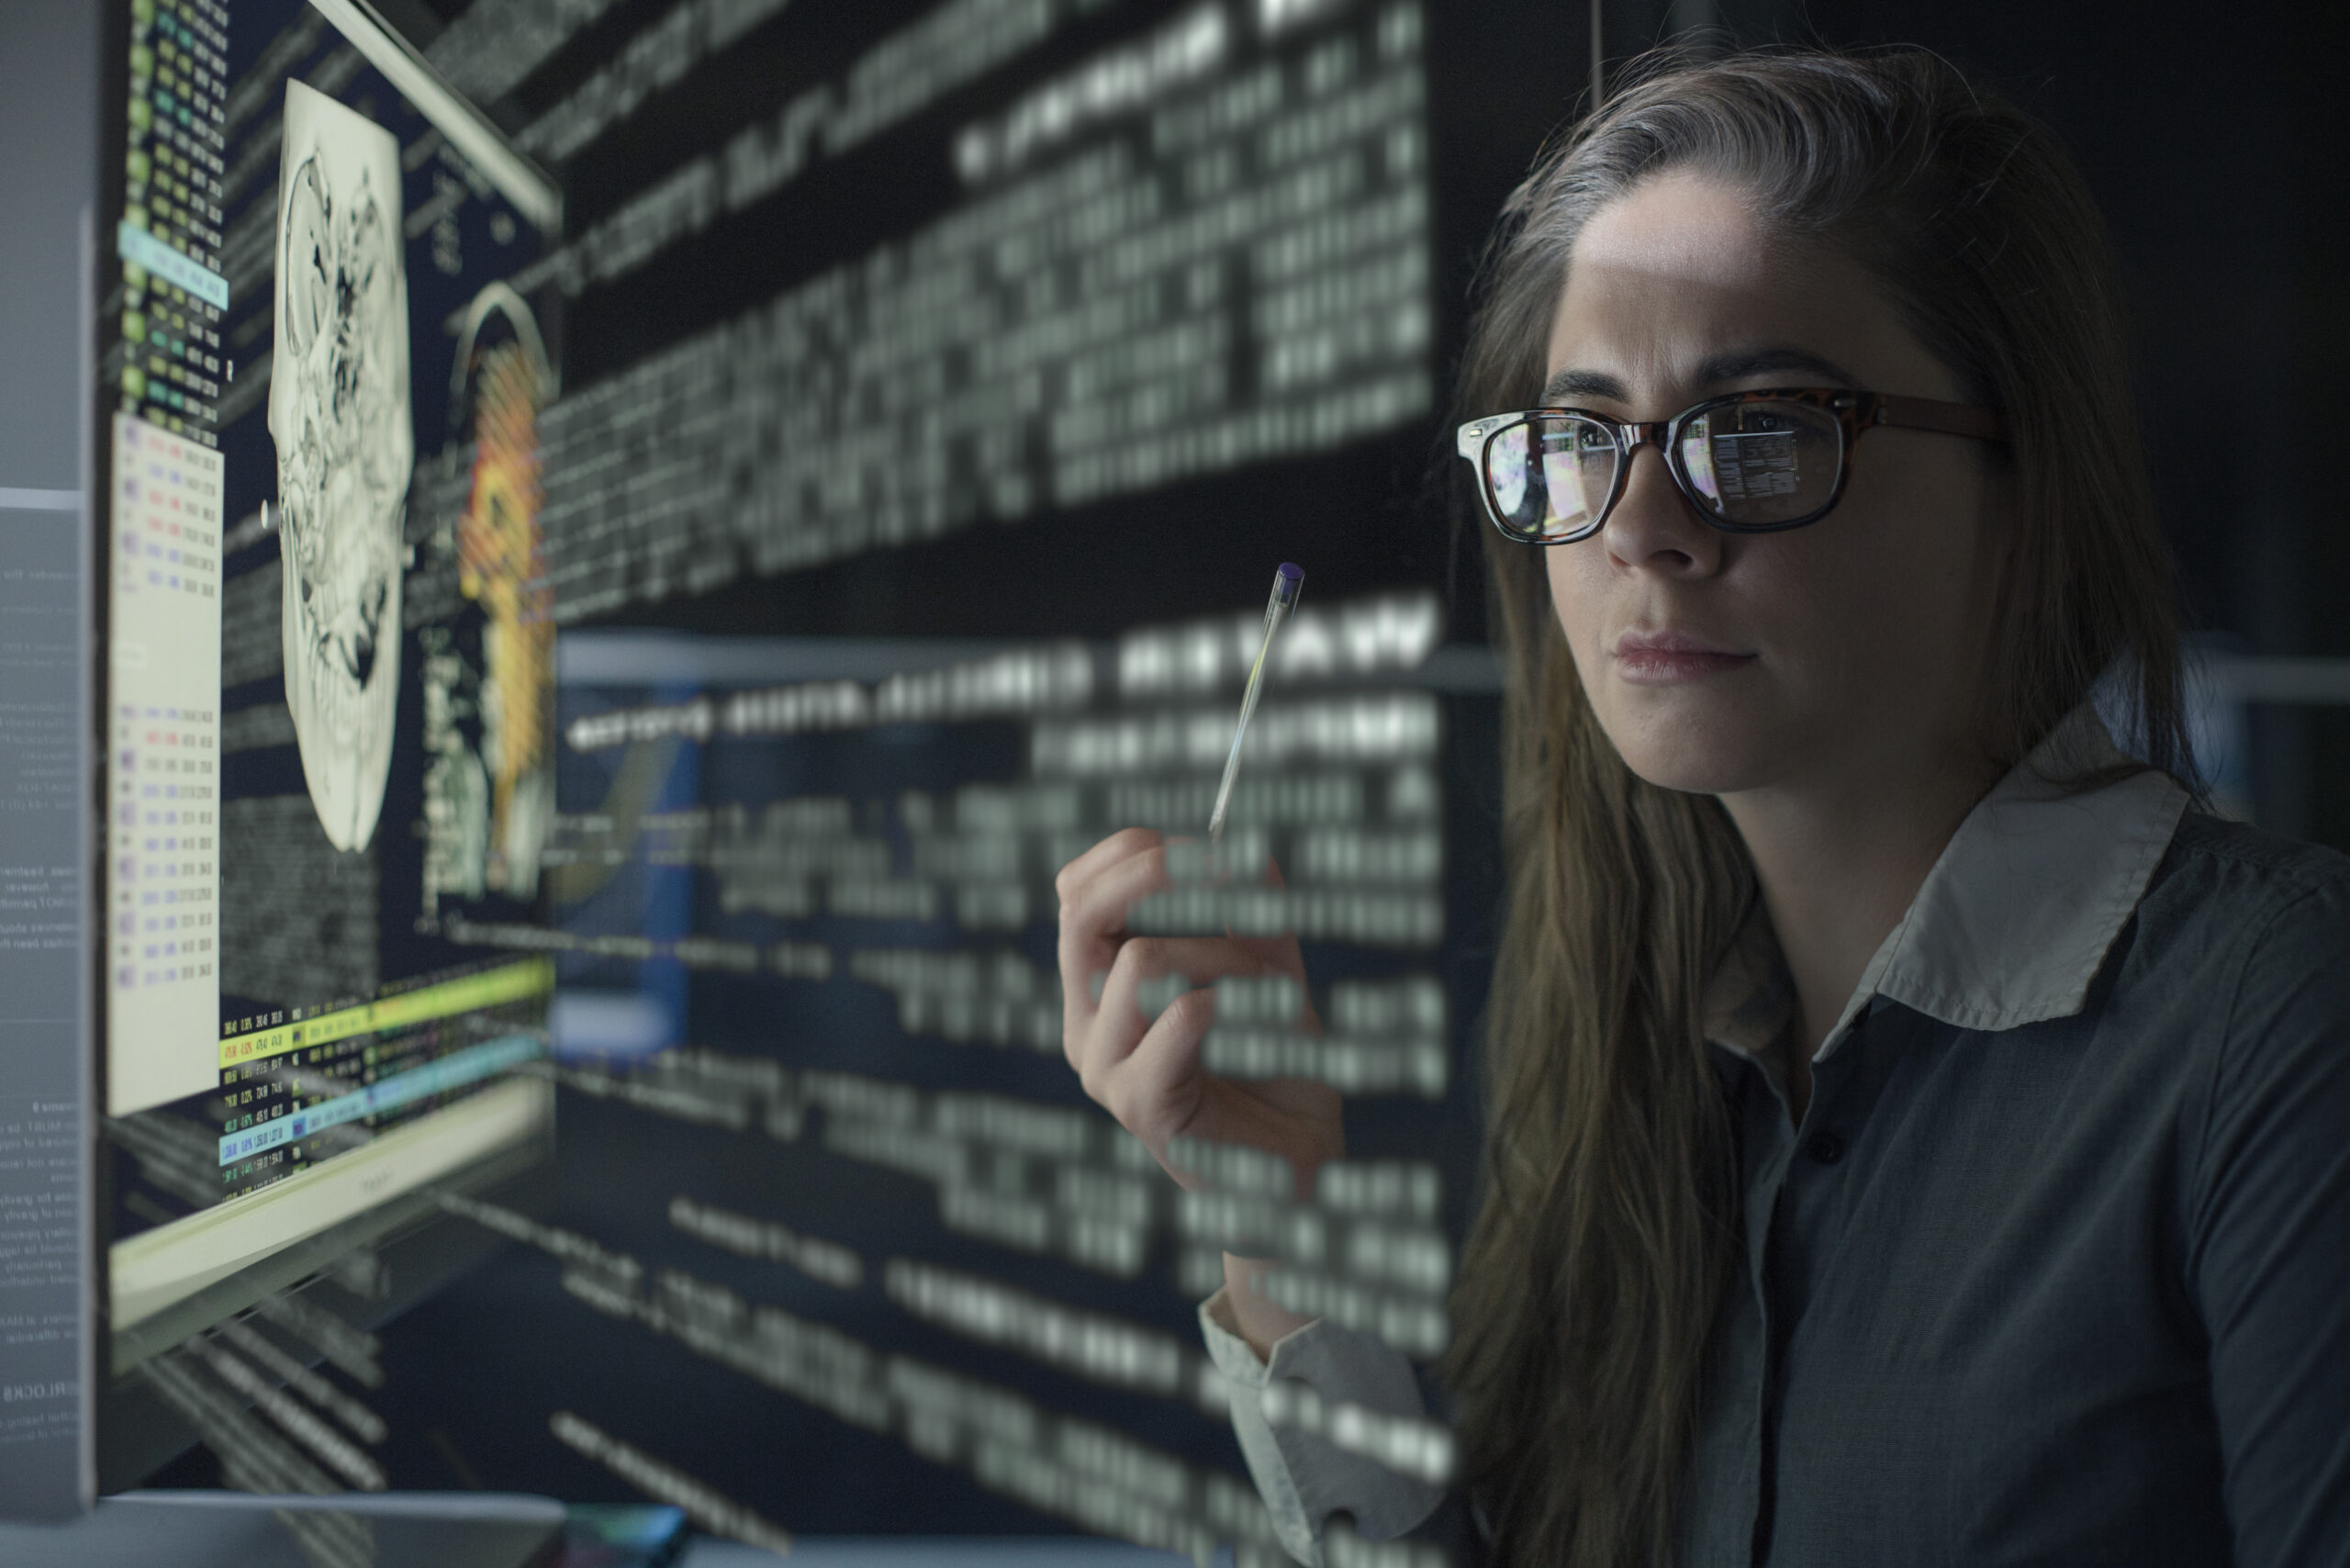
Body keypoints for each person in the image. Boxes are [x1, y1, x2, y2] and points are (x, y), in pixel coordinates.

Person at [1057, 45, 2350, 1568]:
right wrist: (1279, 1230)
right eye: (1581, 438)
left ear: (2024, 481)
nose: (1646, 531)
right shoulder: (1647, 1067)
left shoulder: (2276, 1017)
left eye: (1759, 431)